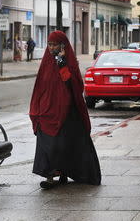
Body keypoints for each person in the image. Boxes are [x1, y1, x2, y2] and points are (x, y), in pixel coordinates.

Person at [29, 30, 101, 189]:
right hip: (47, 112)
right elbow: (40, 86)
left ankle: (62, 173)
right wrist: (36, 108)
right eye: (49, 44)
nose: (51, 48)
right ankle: (50, 177)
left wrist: (61, 62)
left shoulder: (68, 62)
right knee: (47, 144)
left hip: (66, 112)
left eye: (54, 44)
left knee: (62, 145)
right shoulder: (46, 62)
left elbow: (73, 85)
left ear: (62, 46)